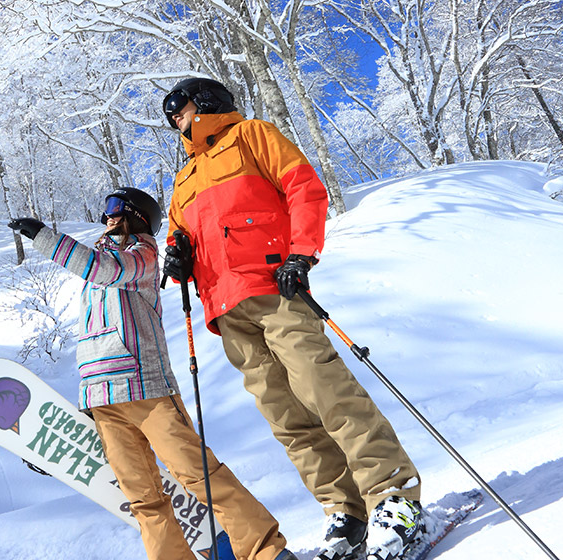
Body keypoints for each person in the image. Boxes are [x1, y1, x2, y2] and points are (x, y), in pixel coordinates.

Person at [160, 77, 424, 560]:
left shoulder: (254, 135)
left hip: (274, 288)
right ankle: (345, 510)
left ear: (209, 102)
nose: (173, 115)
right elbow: (181, 235)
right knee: (286, 418)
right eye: (169, 110)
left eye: (180, 104)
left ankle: (393, 496)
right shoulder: (183, 181)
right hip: (226, 310)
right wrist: (176, 254)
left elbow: (303, 188)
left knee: (326, 391)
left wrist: (301, 254)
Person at [8, 187, 297, 560]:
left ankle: (264, 550)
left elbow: (107, 270)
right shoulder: (98, 265)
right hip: (104, 398)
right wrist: (90, 403)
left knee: (199, 476)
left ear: (137, 216)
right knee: (142, 499)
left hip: (148, 388)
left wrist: (45, 238)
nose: (107, 216)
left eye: (115, 208)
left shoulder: (141, 257)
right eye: (106, 209)